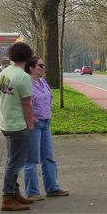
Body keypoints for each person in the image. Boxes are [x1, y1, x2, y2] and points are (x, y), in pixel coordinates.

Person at [0, 42, 36, 212]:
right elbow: (27, 104)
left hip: (6, 122)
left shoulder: (4, 72)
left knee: (12, 160)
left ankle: (14, 193)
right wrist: (30, 124)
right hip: (18, 125)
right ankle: (7, 197)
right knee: (14, 163)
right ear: (28, 57)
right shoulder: (23, 77)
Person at [23, 56, 68, 200]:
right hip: (34, 125)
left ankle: (52, 188)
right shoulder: (26, 83)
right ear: (31, 68)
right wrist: (31, 118)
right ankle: (32, 192)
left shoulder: (43, 82)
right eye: (40, 65)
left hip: (46, 123)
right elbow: (23, 103)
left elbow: (49, 98)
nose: (43, 67)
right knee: (32, 159)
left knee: (48, 157)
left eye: (43, 65)